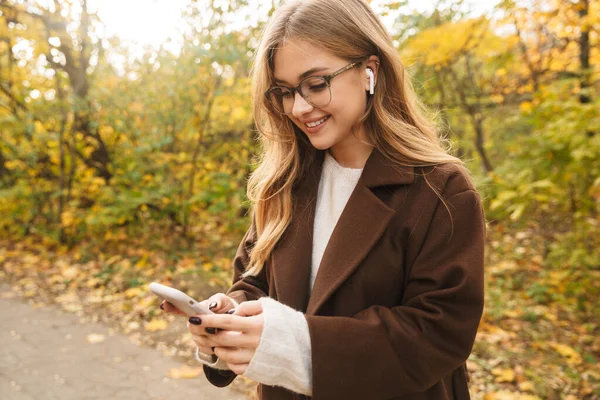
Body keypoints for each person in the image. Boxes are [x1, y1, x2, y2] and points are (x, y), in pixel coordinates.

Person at [160, 0, 486, 399]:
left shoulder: (440, 189)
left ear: (370, 70)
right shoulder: (284, 183)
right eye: (284, 91)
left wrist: (291, 343)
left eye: (316, 84)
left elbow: (437, 334)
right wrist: (227, 316)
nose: (298, 107)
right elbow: (256, 282)